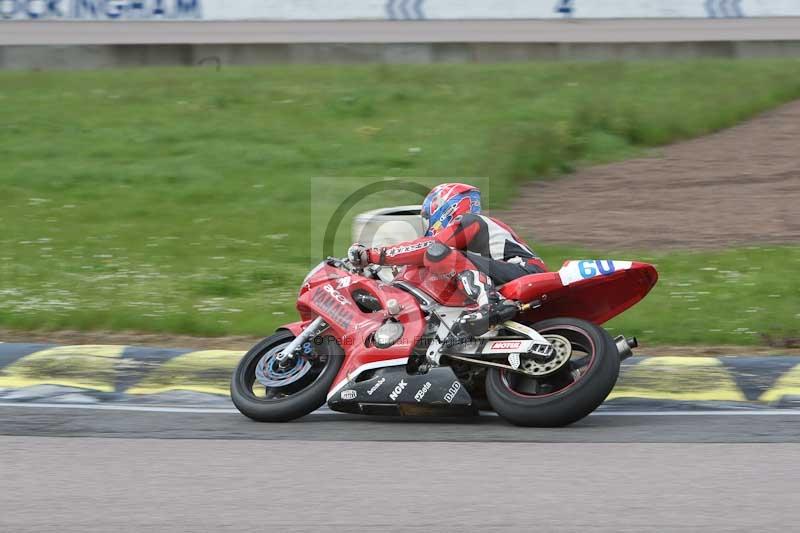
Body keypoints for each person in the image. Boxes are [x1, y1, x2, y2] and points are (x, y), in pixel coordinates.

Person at [348, 183, 547, 336]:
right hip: (511, 276)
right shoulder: (475, 236)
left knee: (436, 254)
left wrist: (372, 255)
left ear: (444, 208)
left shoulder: (472, 221)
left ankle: (489, 303)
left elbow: (429, 247)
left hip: (525, 271)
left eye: (428, 215)